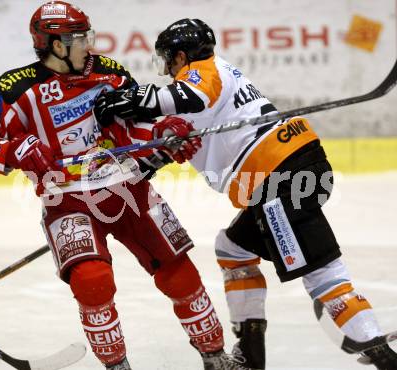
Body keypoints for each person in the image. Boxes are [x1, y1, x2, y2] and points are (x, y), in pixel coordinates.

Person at [93, 18, 397, 370]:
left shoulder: (201, 73)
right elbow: (184, 136)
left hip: (280, 178)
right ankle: (251, 356)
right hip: (292, 171)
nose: (167, 69)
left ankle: (379, 351)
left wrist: (130, 99)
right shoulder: (217, 78)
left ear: (179, 56)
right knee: (232, 249)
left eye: (169, 60)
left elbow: (187, 95)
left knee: (322, 272)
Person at [0, 5, 253, 370]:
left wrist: (161, 135)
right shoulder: (13, 87)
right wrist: (17, 150)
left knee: (180, 274)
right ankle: (117, 366)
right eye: (77, 38)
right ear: (54, 45)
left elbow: (133, 129)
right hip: (65, 199)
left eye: (87, 35)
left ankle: (215, 357)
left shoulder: (109, 72)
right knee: (92, 281)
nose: (88, 44)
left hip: (127, 187)